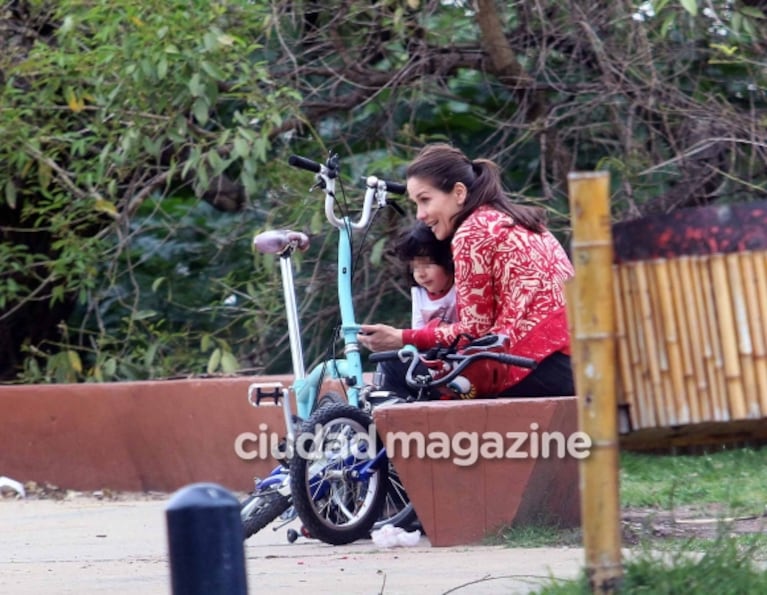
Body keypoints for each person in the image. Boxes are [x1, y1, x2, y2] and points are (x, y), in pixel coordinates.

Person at [358, 143, 575, 398]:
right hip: (574, 362)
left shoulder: (472, 233)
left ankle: (408, 438)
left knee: (396, 365)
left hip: (539, 367)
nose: (420, 215)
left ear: (459, 193)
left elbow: (472, 333)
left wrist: (403, 337)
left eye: (425, 200)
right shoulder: (514, 219)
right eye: (416, 203)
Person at [396, 222, 457, 329]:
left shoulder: (461, 287)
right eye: (415, 267)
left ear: (447, 260)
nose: (421, 274)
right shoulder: (418, 292)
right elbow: (417, 329)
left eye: (427, 264)